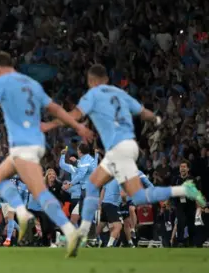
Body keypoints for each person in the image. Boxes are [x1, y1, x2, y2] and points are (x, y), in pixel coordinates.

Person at [0, 51, 94, 257]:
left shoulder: (4, 81)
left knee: (31, 189)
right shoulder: (32, 84)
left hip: (23, 145)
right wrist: (77, 126)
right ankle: (64, 230)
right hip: (36, 143)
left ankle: (25, 215)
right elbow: (55, 108)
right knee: (1, 178)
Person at [41, 64, 207, 243]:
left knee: (94, 185)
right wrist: (156, 119)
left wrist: (50, 125)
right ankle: (183, 189)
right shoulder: (120, 95)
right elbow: (142, 112)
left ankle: (80, 237)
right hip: (129, 147)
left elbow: (74, 115)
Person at [58, 145, 98, 226]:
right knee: (77, 216)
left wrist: (70, 184)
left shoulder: (85, 161)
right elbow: (63, 165)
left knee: (88, 215)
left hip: (88, 191)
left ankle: (94, 235)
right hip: (84, 192)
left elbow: (81, 174)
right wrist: (62, 155)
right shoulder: (85, 162)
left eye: (77, 150)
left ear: (79, 151)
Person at [98, 179, 122, 247]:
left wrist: (100, 204)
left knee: (102, 223)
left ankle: (93, 239)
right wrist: (123, 201)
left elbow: (103, 191)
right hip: (113, 204)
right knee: (118, 226)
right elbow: (122, 193)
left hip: (104, 203)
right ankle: (109, 245)